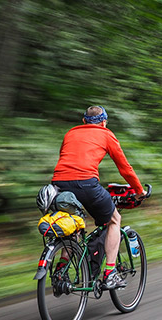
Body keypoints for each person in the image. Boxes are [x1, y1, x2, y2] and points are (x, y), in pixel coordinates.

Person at [51, 106, 144, 289]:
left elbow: (68, 159)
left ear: (84, 121)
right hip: (87, 184)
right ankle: (110, 274)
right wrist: (139, 190)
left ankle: (61, 270)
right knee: (114, 220)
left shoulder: (71, 133)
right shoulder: (106, 134)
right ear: (104, 122)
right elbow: (125, 168)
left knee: (74, 224)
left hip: (58, 185)